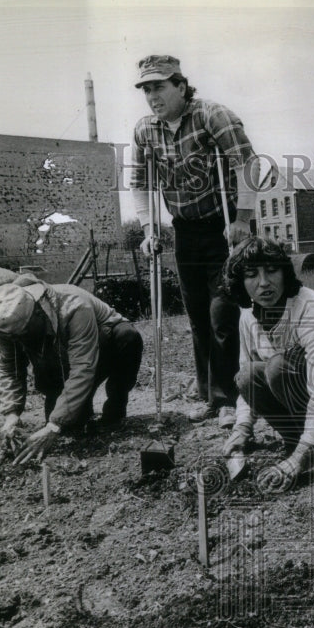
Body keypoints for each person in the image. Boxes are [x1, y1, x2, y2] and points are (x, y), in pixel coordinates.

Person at [129, 54, 259, 429]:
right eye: (146, 89)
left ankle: (229, 399)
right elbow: (139, 184)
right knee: (198, 318)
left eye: (160, 86)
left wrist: (243, 219)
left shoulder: (211, 115)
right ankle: (207, 397)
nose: (153, 95)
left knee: (223, 315)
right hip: (185, 231)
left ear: (181, 86)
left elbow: (247, 164)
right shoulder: (145, 131)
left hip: (224, 227)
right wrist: (149, 228)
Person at [222, 238, 314, 492]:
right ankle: (305, 443)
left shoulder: (311, 307)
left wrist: (300, 456)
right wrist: (242, 428)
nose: (264, 283)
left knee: (278, 367)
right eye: (252, 275)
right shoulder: (248, 316)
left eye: (272, 271)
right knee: (248, 375)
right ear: (240, 282)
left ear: (286, 273)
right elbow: (247, 384)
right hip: (306, 397)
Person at [0, 273, 143, 464]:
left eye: (22, 334)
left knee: (127, 337)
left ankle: (114, 411)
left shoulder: (74, 307)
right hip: (59, 354)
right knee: (70, 422)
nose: (16, 340)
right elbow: (10, 367)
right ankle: (77, 409)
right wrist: (11, 414)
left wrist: (54, 425)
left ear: (37, 313)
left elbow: (83, 367)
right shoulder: (5, 321)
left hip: (103, 344)